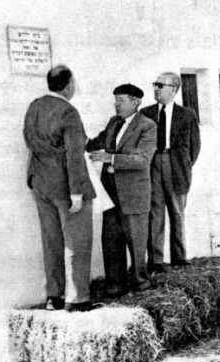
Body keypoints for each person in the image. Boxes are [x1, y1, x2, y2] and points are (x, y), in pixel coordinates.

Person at [23, 64, 99, 312]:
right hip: (65, 186)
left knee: (51, 240)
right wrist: (76, 191)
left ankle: (53, 297)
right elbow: (75, 156)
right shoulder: (69, 112)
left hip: (40, 183)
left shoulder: (34, 106)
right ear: (68, 85)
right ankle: (77, 298)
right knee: (77, 241)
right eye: (74, 82)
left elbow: (30, 140)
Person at [86, 84, 157, 297]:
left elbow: (142, 160)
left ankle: (140, 284)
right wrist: (74, 139)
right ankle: (114, 285)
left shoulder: (148, 126)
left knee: (136, 242)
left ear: (135, 102)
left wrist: (111, 158)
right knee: (111, 241)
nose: (116, 104)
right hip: (109, 193)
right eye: (115, 100)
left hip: (133, 194)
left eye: (121, 100)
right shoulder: (113, 122)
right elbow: (95, 142)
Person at [141, 72, 201, 273]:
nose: (156, 88)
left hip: (176, 166)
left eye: (160, 85)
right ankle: (156, 260)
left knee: (177, 212)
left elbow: (195, 147)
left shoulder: (187, 114)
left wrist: (183, 165)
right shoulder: (146, 113)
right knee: (155, 211)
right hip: (152, 163)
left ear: (173, 89)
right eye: (155, 84)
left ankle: (179, 257)